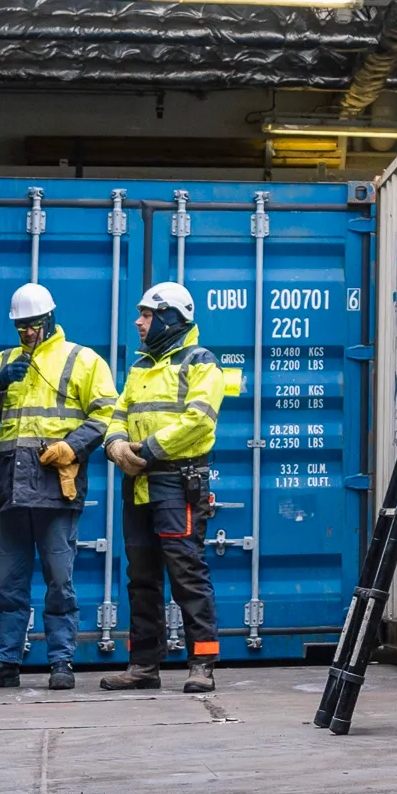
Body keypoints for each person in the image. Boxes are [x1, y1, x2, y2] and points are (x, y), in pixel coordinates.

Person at [0, 281, 114, 691]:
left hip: (54, 485)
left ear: (50, 319)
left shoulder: (82, 360)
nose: (28, 333)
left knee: (59, 581)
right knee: (9, 582)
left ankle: (62, 662)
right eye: (21, 326)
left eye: (34, 325)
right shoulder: (2, 362)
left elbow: (106, 415)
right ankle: (4, 662)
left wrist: (71, 447)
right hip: (11, 486)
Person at [101, 280, 244, 694]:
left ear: (169, 318)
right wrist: (114, 445)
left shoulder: (202, 363)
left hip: (176, 483)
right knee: (140, 578)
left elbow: (199, 420)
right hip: (139, 483)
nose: (138, 322)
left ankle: (203, 663)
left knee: (187, 573)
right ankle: (144, 665)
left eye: (146, 315)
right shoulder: (141, 367)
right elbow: (118, 413)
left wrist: (144, 449)